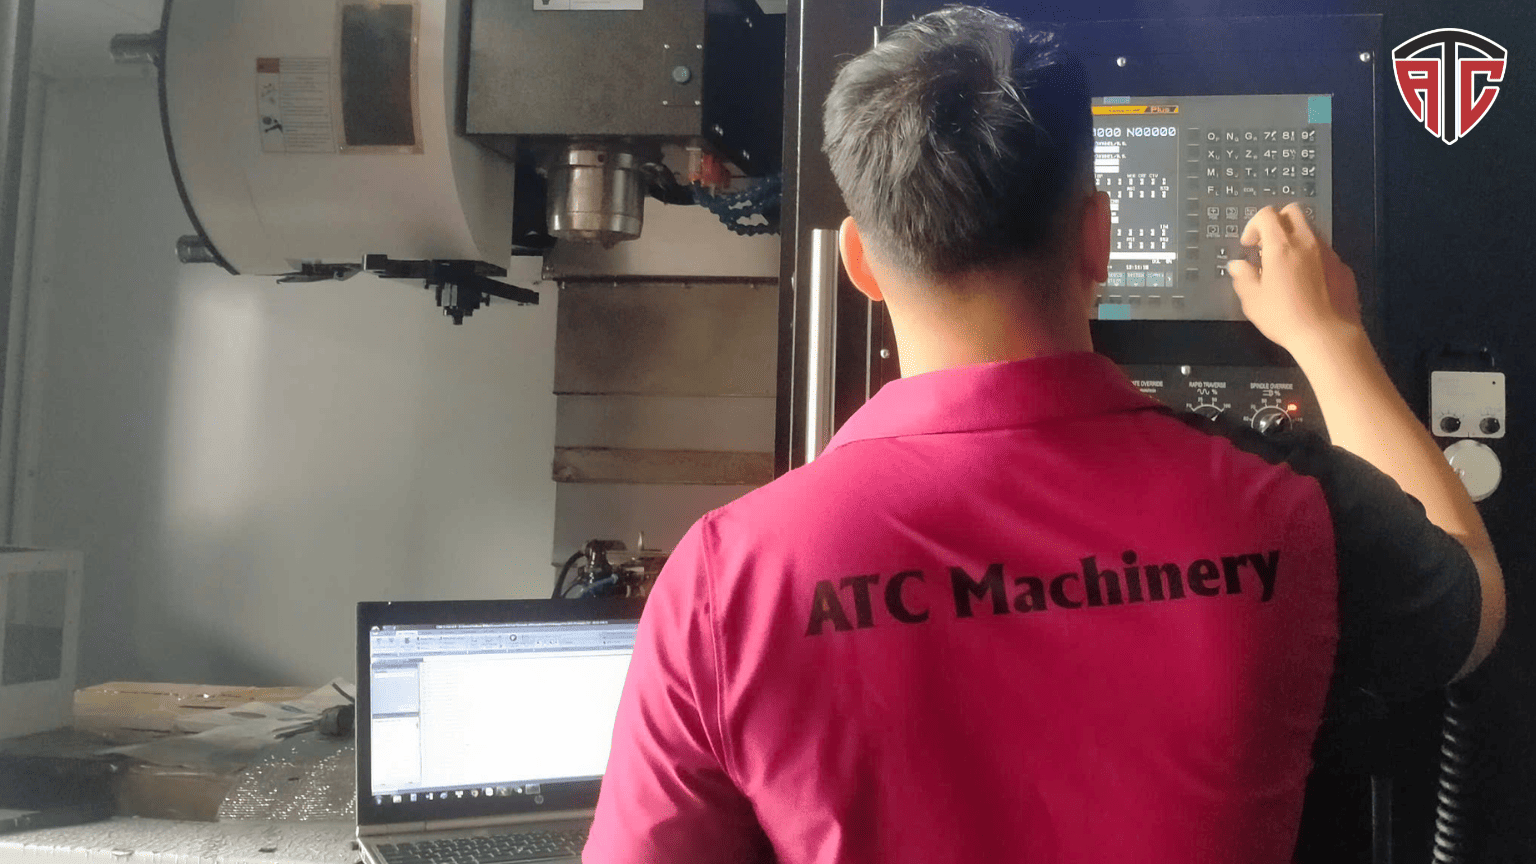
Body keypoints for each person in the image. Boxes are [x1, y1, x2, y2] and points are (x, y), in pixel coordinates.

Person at [582, 7, 1504, 863]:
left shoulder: (724, 585)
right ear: (1097, 239)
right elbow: (1474, 602)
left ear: (859, 262)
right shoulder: (1286, 507)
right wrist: (1329, 338)